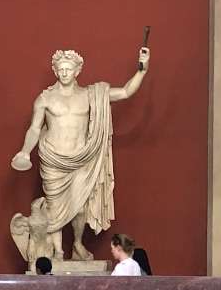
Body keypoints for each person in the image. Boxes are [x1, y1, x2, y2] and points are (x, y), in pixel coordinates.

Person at [11, 47, 151, 261]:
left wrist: (142, 70)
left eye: (69, 69)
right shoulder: (45, 99)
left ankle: (77, 243)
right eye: (61, 69)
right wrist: (24, 151)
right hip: (53, 160)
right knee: (54, 207)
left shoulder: (90, 96)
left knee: (79, 208)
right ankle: (58, 251)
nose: (65, 73)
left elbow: (124, 92)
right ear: (55, 71)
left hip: (81, 159)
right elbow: (34, 129)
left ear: (77, 71)